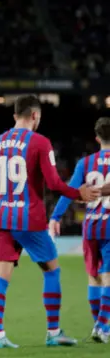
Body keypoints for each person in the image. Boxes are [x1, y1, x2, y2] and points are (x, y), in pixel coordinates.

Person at [0, 95, 99, 349]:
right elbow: (53, 184)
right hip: (28, 217)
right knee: (52, 269)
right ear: (35, 115)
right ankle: (53, 331)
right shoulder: (40, 142)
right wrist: (78, 193)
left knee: (1, 276)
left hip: (3, 216)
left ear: (15, 114)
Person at [49, 117, 110, 343]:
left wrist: (55, 216)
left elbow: (70, 191)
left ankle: (100, 327)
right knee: (108, 278)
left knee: (93, 278)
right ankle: (102, 327)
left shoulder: (85, 164)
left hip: (91, 226)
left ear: (97, 138)